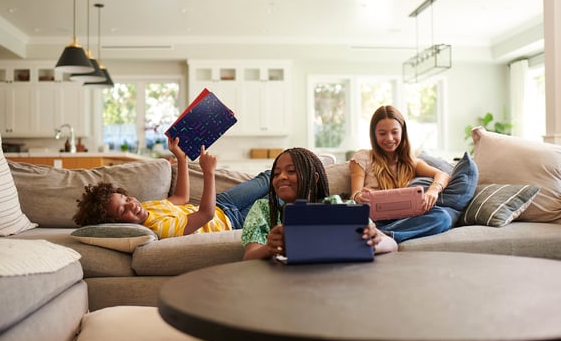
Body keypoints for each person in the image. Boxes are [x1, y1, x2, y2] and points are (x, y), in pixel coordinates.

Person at [73, 136, 270, 239]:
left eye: (125, 199)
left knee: (269, 177)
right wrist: (208, 172)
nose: (131, 205)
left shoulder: (147, 208)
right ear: (117, 224)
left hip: (222, 203)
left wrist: (180, 158)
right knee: (278, 199)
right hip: (232, 222)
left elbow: (181, 197)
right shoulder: (160, 229)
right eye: (123, 210)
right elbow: (205, 215)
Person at [241, 147, 397, 261]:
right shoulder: (263, 208)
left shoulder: (337, 205)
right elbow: (249, 255)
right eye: (276, 174)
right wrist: (269, 248)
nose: (281, 177)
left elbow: (392, 244)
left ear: (314, 179)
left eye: (291, 171)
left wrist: (373, 241)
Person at [349, 105, 452, 243]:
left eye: (394, 132)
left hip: (404, 219)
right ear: (374, 134)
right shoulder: (362, 157)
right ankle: (382, 234)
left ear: (402, 132)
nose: (389, 138)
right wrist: (360, 196)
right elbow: (354, 194)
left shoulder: (412, 162)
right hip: (375, 218)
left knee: (443, 217)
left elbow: (442, 175)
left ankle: (385, 236)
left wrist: (433, 191)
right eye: (382, 133)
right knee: (355, 219)